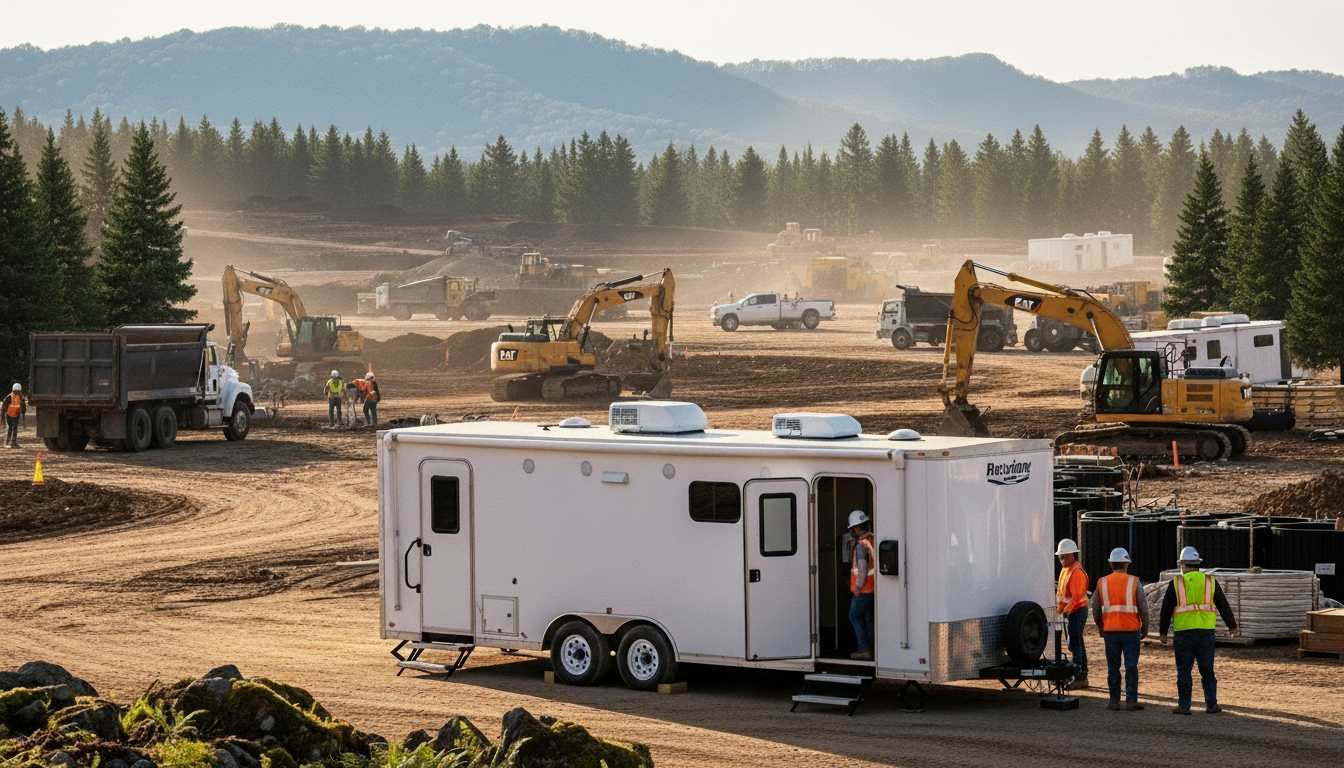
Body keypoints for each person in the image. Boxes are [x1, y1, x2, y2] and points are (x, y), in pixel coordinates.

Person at [1160, 546, 1239, 715]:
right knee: (1207, 670)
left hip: (1183, 633)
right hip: (1206, 633)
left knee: (1184, 671)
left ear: (1182, 564)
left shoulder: (1176, 582)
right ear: (1198, 564)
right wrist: (1232, 626)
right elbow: (1223, 604)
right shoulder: (1210, 581)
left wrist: (1163, 632)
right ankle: (1212, 705)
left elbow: (1166, 609)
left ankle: (1184, 706)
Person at [1092, 547, 1148, 711]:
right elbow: (1143, 607)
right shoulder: (1134, 582)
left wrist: (1100, 627)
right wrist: (1145, 627)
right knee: (1131, 667)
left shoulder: (1102, 583)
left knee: (1113, 667)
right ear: (1127, 563)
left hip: (1110, 632)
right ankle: (1131, 701)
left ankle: (1114, 701)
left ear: (1111, 564)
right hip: (1131, 631)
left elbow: (1095, 608)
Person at [1055, 538, 1090, 689]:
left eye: (1063, 557)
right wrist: (1061, 610)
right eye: (1060, 557)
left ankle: (1079, 675)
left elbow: (1076, 598)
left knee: (1074, 643)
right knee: (1076, 642)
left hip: (1076, 611)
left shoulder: (1076, 572)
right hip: (1070, 612)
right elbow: (1063, 595)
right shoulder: (1066, 570)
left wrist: (1065, 611)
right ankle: (1080, 674)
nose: (1061, 560)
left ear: (1071, 555)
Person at [847, 510, 876, 660]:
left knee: (854, 616)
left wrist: (857, 587)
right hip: (873, 587)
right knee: (868, 618)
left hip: (864, 589)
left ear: (856, 527)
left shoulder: (860, 545)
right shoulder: (872, 539)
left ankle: (864, 648)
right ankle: (872, 648)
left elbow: (863, 568)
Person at [3, 383, 25, 448]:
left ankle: (8, 442)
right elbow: (23, 407)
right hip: (13, 415)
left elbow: (4, 405)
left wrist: (3, 415)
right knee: (14, 429)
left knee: (11, 428)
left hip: (11, 415)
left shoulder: (9, 397)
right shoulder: (20, 398)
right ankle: (12, 443)